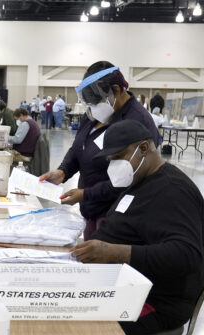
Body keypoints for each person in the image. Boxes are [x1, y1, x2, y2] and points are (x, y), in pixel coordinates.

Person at [32, 119, 204, 335]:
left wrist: (117, 252)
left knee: (85, 307)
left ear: (144, 149)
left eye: (119, 157)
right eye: (111, 159)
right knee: (56, 292)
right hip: (127, 282)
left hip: (155, 300)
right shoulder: (140, 182)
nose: (115, 165)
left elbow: (187, 255)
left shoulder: (173, 191)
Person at [39, 61, 160, 240]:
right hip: (92, 209)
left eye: (98, 101)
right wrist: (63, 171)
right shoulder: (94, 115)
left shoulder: (137, 122)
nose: (93, 107)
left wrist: (85, 194)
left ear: (117, 90)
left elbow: (128, 179)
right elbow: (78, 147)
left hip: (116, 216)